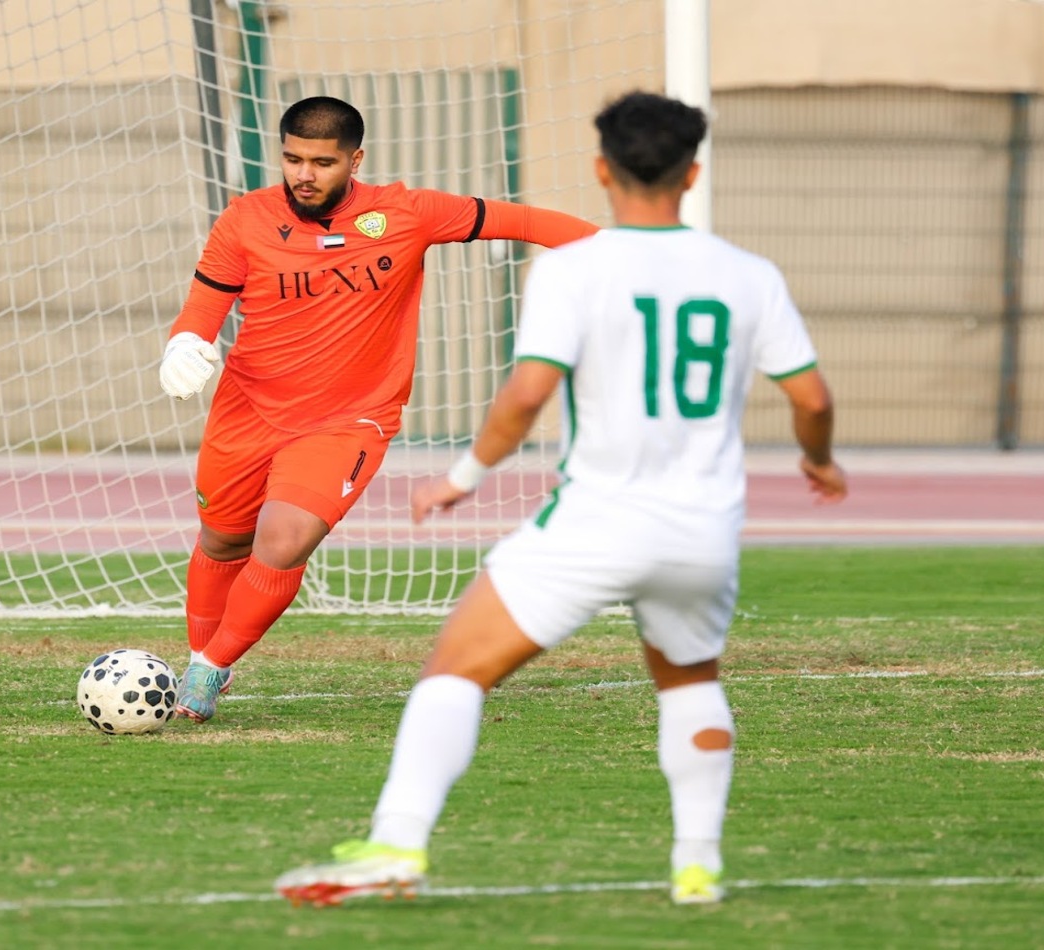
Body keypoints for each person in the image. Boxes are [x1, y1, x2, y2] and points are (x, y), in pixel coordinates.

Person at [273, 90, 848, 907]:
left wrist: (460, 479)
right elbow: (814, 400)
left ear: (600, 169)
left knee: (455, 671)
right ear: (694, 171)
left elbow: (525, 397)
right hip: (703, 533)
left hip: (597, 523)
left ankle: (397, 844)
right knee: (689, 679)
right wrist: (818, 463)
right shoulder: (749, 276)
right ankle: (697, 866)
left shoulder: (575, 268)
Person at [158, 96, 598, 723]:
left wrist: (622, 252)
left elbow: (521, 221)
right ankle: (201, 652)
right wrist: (184, 343)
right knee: (223, 540)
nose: (303, 174)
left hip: (348, 421)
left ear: (354, 159)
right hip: (247, 411)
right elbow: (204, 307)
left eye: (321, 162)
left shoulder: (404, 213)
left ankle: (208, 669)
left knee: (282, 540)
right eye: (291, 159)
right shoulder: (244, 220)